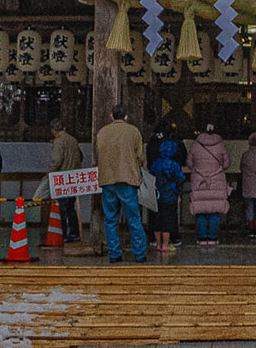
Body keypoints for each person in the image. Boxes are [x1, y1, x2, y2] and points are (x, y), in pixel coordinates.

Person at [94, 105, 147, 263]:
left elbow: (98, 153)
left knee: (110, 219)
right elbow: (140, 156)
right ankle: (139, 254)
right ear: (126, 117)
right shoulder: (133, 132)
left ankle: (114, 254)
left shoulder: (102, 132)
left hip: (107, 180)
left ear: (111, 116)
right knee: (134, 218)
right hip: (127, 180)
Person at [187, 124, 230, 245]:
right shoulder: (220, 145)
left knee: (200, 209)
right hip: (217, 181)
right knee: (215, 210)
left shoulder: (195, 146)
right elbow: (226, 164)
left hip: (199, 182)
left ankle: (202, 237)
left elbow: (189, 164)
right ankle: (212, 237)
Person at [148, 123, 184, 253]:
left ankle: (157, 244)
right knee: (168, 220)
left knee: (157, 219)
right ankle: (166, 244)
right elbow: (180, 178)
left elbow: (151, 175)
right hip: (170, 195)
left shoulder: (155, 164)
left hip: (157, 194)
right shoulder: (174, 165)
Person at [48, 118, 84, 240]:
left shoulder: (58, 141)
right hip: (73, 178)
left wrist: (51, 173)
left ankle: (62, 234)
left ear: (53, 130)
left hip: (62, 178)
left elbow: (57, 160)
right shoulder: (73, 140)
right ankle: (75, 233)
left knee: (62, 208)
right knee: (71, 207)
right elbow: (81, 156)